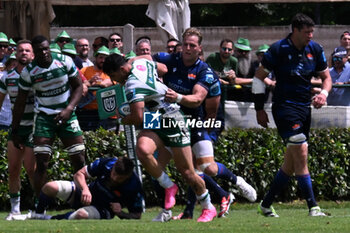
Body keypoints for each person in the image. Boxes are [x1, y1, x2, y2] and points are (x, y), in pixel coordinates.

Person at [154, 27, 257, 219]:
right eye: (185, 44)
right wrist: (130, 64)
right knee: (159, 167)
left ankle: (236, 182)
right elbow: (147, 59)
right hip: (170, 123)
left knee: (205, 168)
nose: (187, 48)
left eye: (192, 45)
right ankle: (174, 210)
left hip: (195, 123)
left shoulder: (205, 71)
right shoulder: (171, 60)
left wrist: (177, 98)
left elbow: (201, 102)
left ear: (199, 49)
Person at [103, 53, 217, 222]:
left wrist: (120, 118)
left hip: (173, 120)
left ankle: (208, 207)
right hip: (157, 118)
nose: (115, 81)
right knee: (142, 149)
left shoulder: (132, 85)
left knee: (188, 172)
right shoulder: (140, 63)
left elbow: (138, 118)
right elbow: (163, 68)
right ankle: (170, 187)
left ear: (121, 69)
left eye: (113, 76)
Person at [252, 13, 332, 217]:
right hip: (284, 108)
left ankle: (266, 204)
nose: (311, 36)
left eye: (312, 32)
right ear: (295, 31)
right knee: (301, 150)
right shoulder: (278, 49)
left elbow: (327, 78)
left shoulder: (315, 49)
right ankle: (313, 206)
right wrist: (259, 109)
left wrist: (323, 93)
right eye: (307, 32)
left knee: (291, 162)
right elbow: (258, 78)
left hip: (304, 108)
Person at [11, 35, 86, 198]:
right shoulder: (28, 72)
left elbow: (79, 87)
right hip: (44, 118)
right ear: (34, 54)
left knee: (79, 159)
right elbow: (20, 102)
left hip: (68, 115)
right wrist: (14, 129)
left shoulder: (64, 60)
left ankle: (85, 198)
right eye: (40, 51)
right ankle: (41, 208)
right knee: (42, 163)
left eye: (46, 48)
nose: (44, 52)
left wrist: (69, 108)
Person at [28, 156, 143, 220]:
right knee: (50, 186)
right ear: (112, 167)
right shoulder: (108, 162)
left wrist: (121, 213)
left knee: (81, 215)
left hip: (103, 209)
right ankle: (38, 214)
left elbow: (137, 215)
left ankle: (48, 218)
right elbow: (79, 174)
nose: (114, 178)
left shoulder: (134, 185)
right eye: (113, 174)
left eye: (119, 178)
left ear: (127, 176)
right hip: (86, 195)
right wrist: (85, 189)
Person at [0, 40, 36, 220]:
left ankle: (39, 207)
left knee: (32, 169)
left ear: (33, 54)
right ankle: (15, 209)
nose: (23, 53)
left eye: (27, 50)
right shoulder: (7, 77)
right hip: (15, 129)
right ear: (16, 54)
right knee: (13, 168)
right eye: (20, 50)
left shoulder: (40, 76)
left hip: (35, 128)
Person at [77, 46, 114, 131]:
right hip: (86, 113)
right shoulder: (85, 70)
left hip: (104, 113)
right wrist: (89, 82)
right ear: (96, 57)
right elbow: (78, 84)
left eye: (105, 58)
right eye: (101, 57)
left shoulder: (110, 72)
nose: (103, 60)